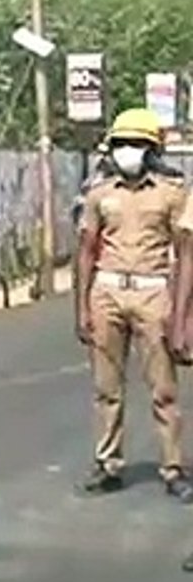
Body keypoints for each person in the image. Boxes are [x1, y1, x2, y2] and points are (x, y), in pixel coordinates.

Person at [77, 108, 192, 501]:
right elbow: (87, 251)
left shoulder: (172, 194)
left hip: (153, 290)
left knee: (163, 389)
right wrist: (81, 308)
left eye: (137, 144)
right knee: (106, 388)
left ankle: (173, 467)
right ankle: (108, 463)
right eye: (122, 143)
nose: (128, 151)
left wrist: (182, 317)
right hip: (106, 290)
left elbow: (186, 254)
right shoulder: (99, 193)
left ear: (152, 149)